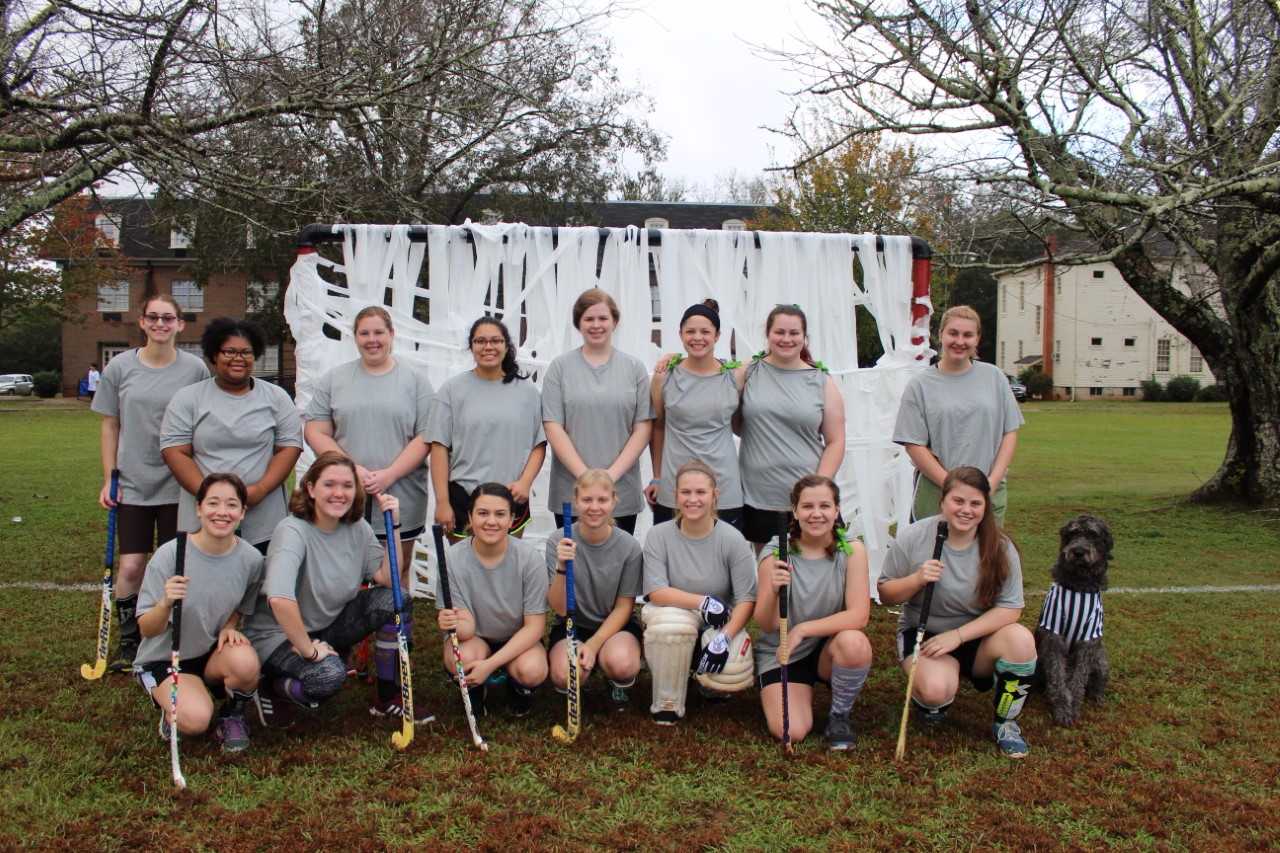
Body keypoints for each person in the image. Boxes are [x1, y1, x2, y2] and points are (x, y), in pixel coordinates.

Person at [243, 452, 418, 724]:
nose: (339, 493)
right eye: (329, 484)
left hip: (327, 625)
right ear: (310, 488)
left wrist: (393, 524)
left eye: (347, 486)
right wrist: (309, 651)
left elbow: (388, 579)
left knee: (396, 600)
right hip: (279, 636)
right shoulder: (293, 530)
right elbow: (278, 599)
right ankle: (271, 687)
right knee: (327, 677)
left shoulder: (357, 527)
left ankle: (388, 696)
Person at [877, 466, 1038, 758]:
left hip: (976, 637)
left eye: (975, 503)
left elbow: (1011, 609)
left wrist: (958, 636)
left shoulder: (1000, 547)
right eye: (958, 501)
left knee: (1021, 641)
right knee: (936, 690)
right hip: (925, 634)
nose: (966, 510)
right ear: (943, 501)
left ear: (986, 506)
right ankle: (933, 700)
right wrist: (917, 579)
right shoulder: (914, 536)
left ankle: (1006, 722)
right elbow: (886, 593)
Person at [93, 293, 209, 671]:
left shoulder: (195, 369)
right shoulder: (120, 368)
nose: (161, 324)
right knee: (131, 567)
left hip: (180, 484)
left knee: (179, 564)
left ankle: (180, 637)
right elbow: (111, 424)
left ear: (180, 324)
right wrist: (110, 477)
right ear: (141, 322)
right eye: (153, 318)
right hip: (134, 484)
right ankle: (131, 641)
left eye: (168, 318)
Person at [134, 473, 264, 753]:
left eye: (231, 505)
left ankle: (232, 715)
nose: (222, 512)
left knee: (245, 662)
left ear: (243, 512)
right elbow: (147, 628)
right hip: (167, 657)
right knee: (195, 720)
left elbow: (243, 604)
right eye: (213, 503)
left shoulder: (252, 560)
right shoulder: (171, 555)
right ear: (198, 508)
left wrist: (231, 625)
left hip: (208, 655)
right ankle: (172, 709)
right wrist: (165, 603)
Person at [304, 305, 433, 571]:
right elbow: (315, 430)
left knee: (397, 568)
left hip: (402, 492)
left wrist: (390, 474)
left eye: (379, 332)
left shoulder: (416, 382)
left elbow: (426, 436)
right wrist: (352, 470)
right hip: (345, 490)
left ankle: (396, 615)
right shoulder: (334, 379)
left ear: (391, 334)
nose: (372, 340)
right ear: (355, 337)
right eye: (364, 333)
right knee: (347, 567)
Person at [160, 317, 303, 553]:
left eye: (246, 352)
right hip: (203, 515)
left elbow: (289, 447)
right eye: (229, 351)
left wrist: (261, 490)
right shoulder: (188, 398)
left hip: (263, 514)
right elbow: (175, 452)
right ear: (214, 355)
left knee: (262, 582)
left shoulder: (276, 397)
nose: (238, 358)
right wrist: (211, 497)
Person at [754, 475, 871, 751]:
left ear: (837, 509)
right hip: (782, 649)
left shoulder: (852, 550)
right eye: (807, 507)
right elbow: (766, 622)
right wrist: (772, 590)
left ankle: (839, 716)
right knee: (791, 731)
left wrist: (803, 630)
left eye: (825, 506)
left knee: (854, 643)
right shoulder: (776, 553)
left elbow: (859, 616)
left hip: (828, 647)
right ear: (795, 511)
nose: (816, 514)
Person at [641, 461, 756, 725]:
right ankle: (667, 700)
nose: (693, 499)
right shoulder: (658, 535)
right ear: (675, 495)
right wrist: (702, 602)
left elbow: (746, 599)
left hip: (718, 623)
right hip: (676, 616)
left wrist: (724, 639)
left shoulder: (733, 538)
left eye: (701, 492)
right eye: (686, 492)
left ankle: (704, 679)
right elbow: (656, 591)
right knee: (672, 625)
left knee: (731, 665)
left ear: (715, 495)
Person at [893, 305, 1023, 524]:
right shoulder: (920, 385)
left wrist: (991, 483)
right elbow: (914, 445)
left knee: (984, 557)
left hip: (987, 494)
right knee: (934, 557)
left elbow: (1009, 432)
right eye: (953, 333)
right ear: (941, 334)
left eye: (968, 335)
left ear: (977, 339)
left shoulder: (994, 377)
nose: (960, 341)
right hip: (938, 494)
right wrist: (953, 487)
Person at [542, 288, 653, 534]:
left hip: (619, 489)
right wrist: (586, 478)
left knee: (616, 564)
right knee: (572, 566)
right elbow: (552, 425)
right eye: (588, 319)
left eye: (602, 318)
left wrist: (608, 477)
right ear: (578, 324)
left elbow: (643, 427)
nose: (596, 325)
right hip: (571, 489)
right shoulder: (559, 368)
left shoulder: (634, 368)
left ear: (615, 321)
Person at [738, 304, 846, 547]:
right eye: (780, 332)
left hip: (807, 500)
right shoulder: (748, 372)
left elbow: (836, 441)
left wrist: (819, 489)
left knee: (813, 565)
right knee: (768, 571)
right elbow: (708, 373)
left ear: (804, 337)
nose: (786, 339)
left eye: (794, 333)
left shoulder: (821, 381)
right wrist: (672, 359)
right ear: (768, 334)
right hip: (759, 497)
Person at [436, 483, 549, 716]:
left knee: (533, 670)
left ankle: (516, 689)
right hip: (475, 639)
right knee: (462, 657)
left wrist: (490, 666)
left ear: (512, 520)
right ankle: (476, 690)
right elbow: (465, 630)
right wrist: (449, 622)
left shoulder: (530, 559)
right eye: (482, 513)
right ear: (469, 517)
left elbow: (535, 627)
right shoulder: (452, 560)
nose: (491, 522)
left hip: (517, 639)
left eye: (500, 514)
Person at [428, 317, 545, 539]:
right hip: (463, 499)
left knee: (506, 569)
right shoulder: (451, 390)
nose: (488, 346)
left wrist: (525, 482)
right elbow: (439, 448)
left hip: (512, 497)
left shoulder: (528, 392)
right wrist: (442, 502)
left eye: (495, 340)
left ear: (506, 345)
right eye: (480, 341)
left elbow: (538, 444)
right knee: (465, 570)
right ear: (471, 346)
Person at [546, 470, 644, 711]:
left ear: (614, 501)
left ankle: (615, 680)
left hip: (615, 627)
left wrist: (594, 644)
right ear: (576, 500)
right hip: (572, 625)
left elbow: (624, 607)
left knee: (622, 664)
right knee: (563, 675)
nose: (594, 507)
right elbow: (558, 607)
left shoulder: (629, 547)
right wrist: (561, 567)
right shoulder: (558, 540)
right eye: (587, 500)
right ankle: (582, 677)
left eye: (602, 500)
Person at [645, 300, 745, 531]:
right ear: (680, 334)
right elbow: (658, 427)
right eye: (690, 331)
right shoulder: (664, 376)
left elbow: (772, 357)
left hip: (724, 485)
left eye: (705, 332)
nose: (697, 337)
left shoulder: (736, 375)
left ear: (717, 336)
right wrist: (657, 476)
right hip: (674, 485)